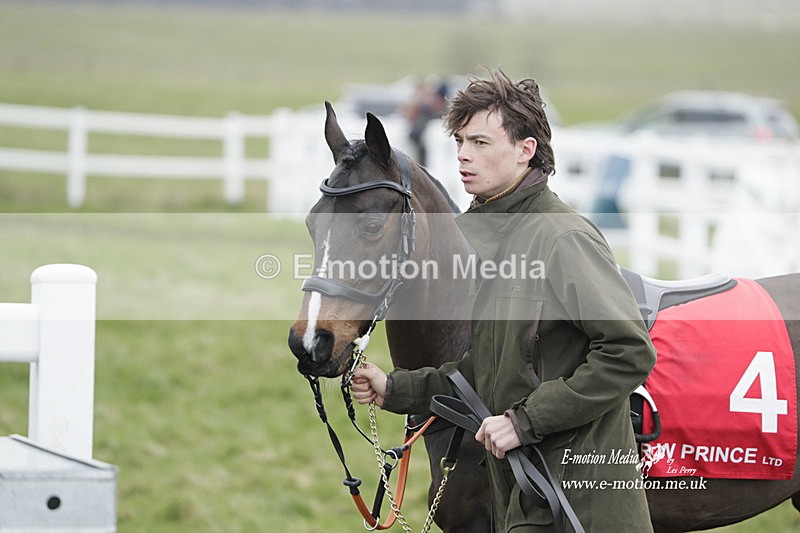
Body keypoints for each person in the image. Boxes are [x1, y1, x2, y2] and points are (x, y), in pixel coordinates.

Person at [352, 68, 656, 532]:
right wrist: (395, 388)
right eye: (460, 142)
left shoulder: (562, 238)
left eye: (480, 142)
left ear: (524, 150)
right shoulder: (492, 241)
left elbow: (628, 351)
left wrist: (524, 421)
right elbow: (485, 369)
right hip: (527, 497)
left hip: (578, 506)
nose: (462, 154)